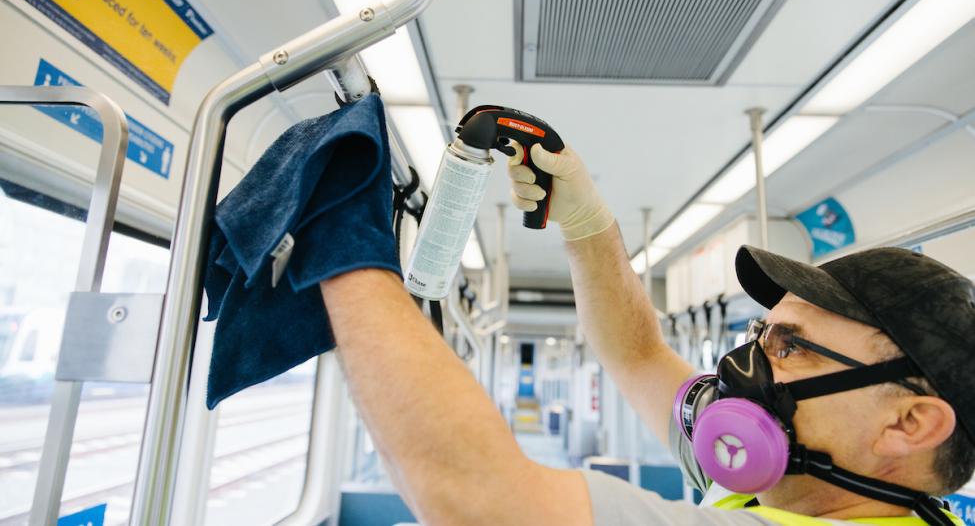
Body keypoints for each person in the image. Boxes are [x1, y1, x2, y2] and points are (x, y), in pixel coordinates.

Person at [319, 141, 975, 525]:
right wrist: (586, 221)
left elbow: (472, 497)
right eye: (762, 333)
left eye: (789, 347)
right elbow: (636, 354)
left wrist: (340, 241)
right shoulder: (779, 484)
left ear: (909, 424)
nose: (744, 362)